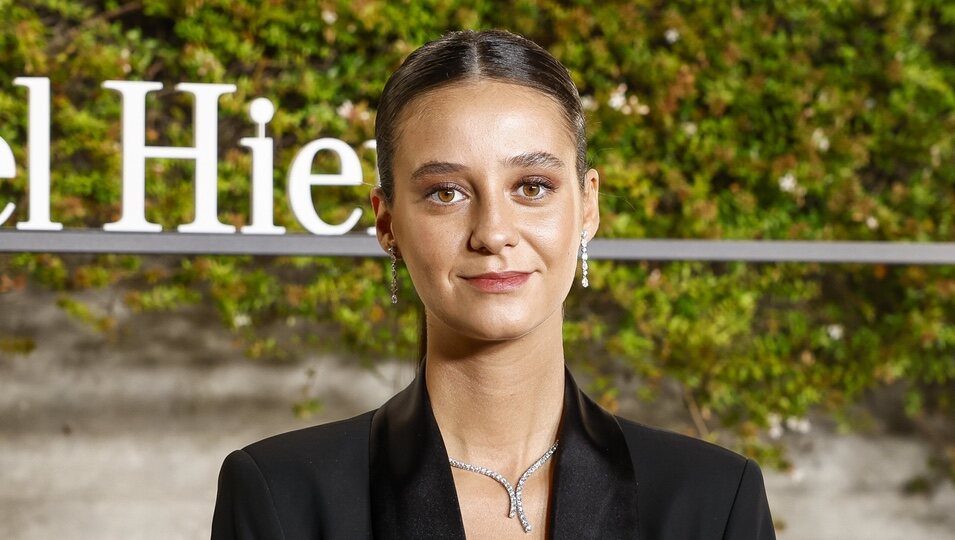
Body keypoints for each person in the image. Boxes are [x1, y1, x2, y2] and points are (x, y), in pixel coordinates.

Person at [211, 29, 776, 539]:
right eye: (446, 192)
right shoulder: (279, 497)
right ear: (387, 224)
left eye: (531, 186)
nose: (493, 232)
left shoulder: (714, 499)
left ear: (588, 206)